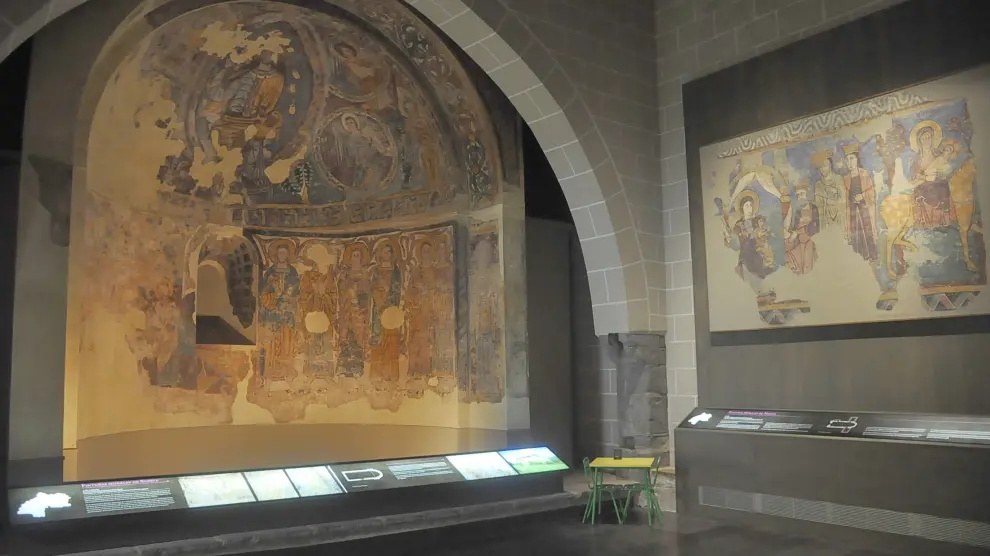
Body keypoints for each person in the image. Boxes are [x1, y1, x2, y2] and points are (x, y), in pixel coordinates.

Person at [841, 143, 878, 262]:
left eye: (852, 158)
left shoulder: (864, 173)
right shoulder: (846, 178)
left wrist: (862, 196)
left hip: (864, 207)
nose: (849, 162)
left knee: (868, 231)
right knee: (856, 233)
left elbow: (872, 191)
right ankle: (860, 257)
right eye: (847, 159)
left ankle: (873, 255)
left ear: (857, 159)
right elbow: (845, 196)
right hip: (853, 210)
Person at [784, 181, 820, 274]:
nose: (800, 197)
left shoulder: (814, 208)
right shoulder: (796, 211)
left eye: (802, 194)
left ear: (807, 194)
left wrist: (801, 232)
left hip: (810, 240)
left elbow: (816, 227)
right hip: (798, 243)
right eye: (798, 195)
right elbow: (791, 228)